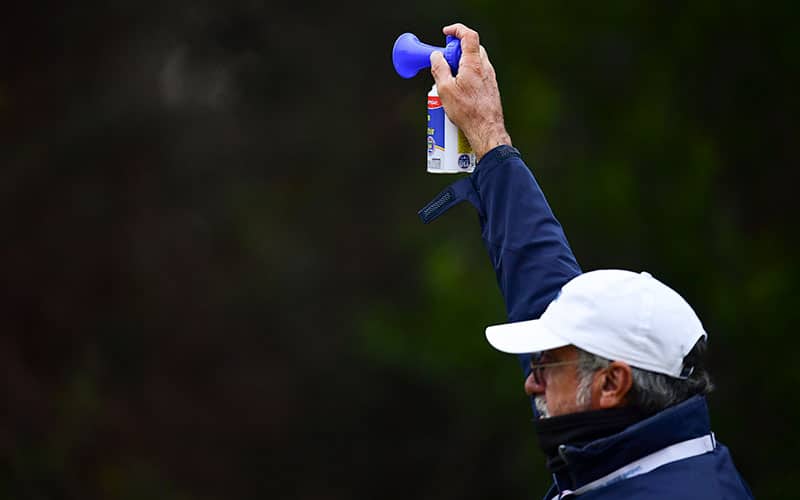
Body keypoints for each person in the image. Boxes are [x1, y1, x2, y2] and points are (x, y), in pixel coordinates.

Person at [420, 23, 753, 499]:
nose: (531, 384)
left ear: (613, 381)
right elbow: (539, 281)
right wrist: (489, 138)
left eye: (546, 365)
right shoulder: (626, 446)